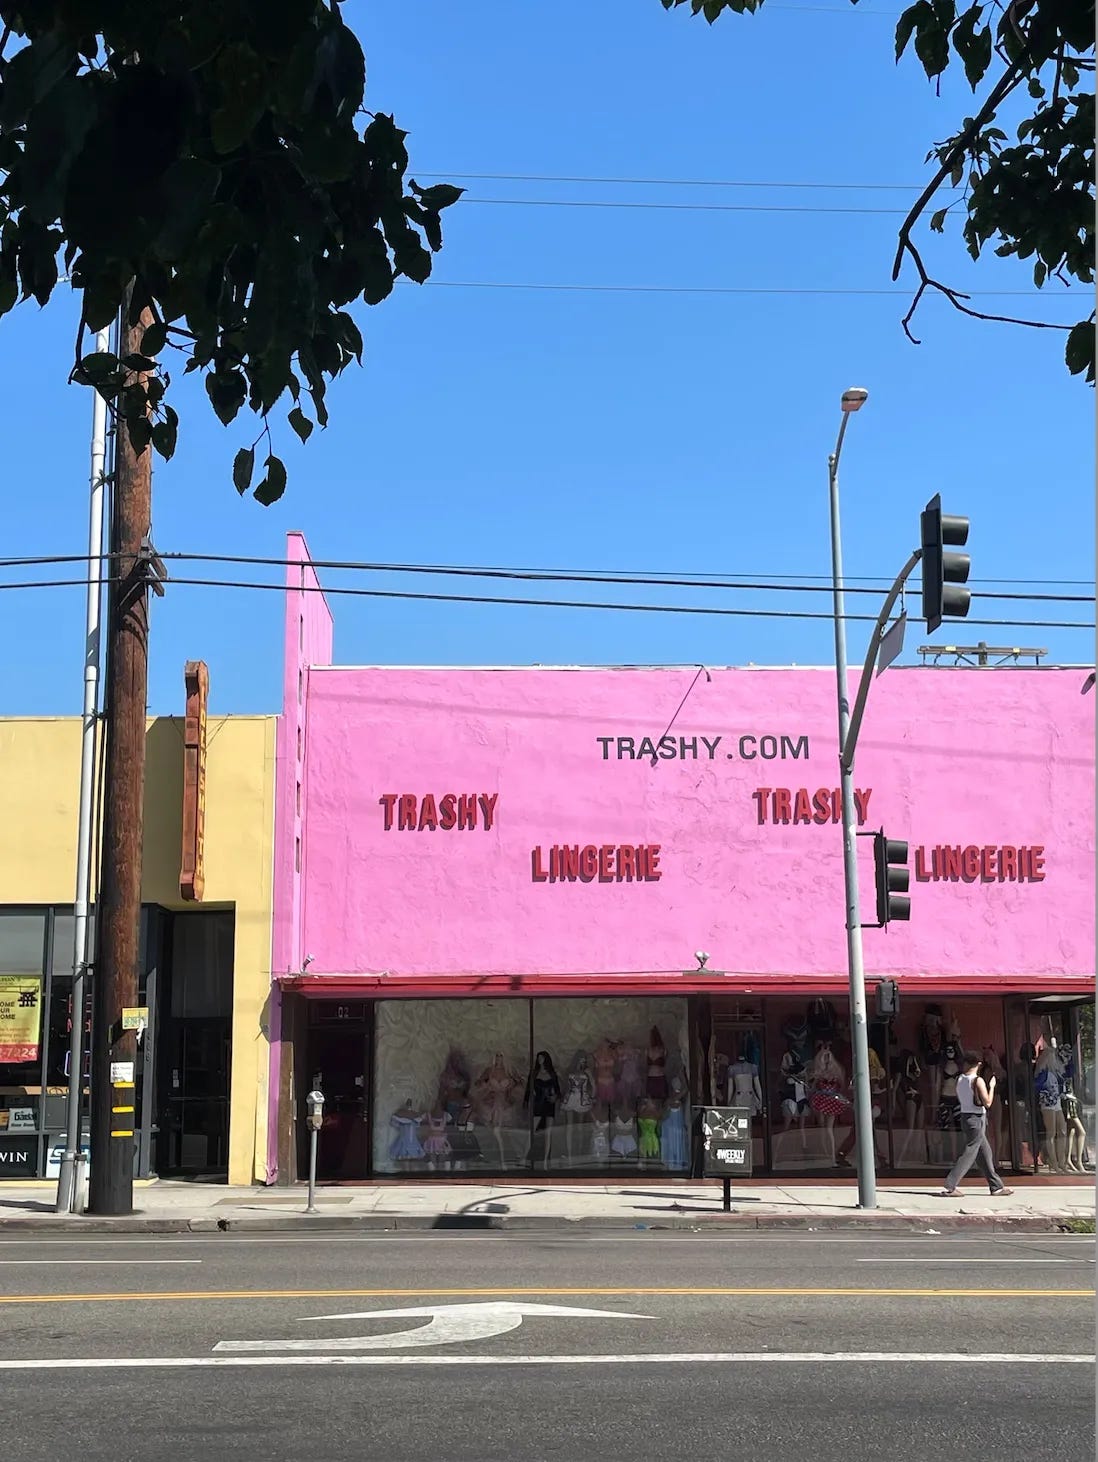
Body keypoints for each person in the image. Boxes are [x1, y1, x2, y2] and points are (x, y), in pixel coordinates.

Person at [940, 1049, 1014, 1198]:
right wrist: (991, 1086)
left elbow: (961, 1097)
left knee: (985, 1152)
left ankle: (996, 1186)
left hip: (965, 1116)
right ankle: (951, 1184)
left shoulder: (960, 1079)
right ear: (978, 1064)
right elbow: (988, 1102)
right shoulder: (977, 1080)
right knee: (971, 1151)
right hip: (977, 1118)